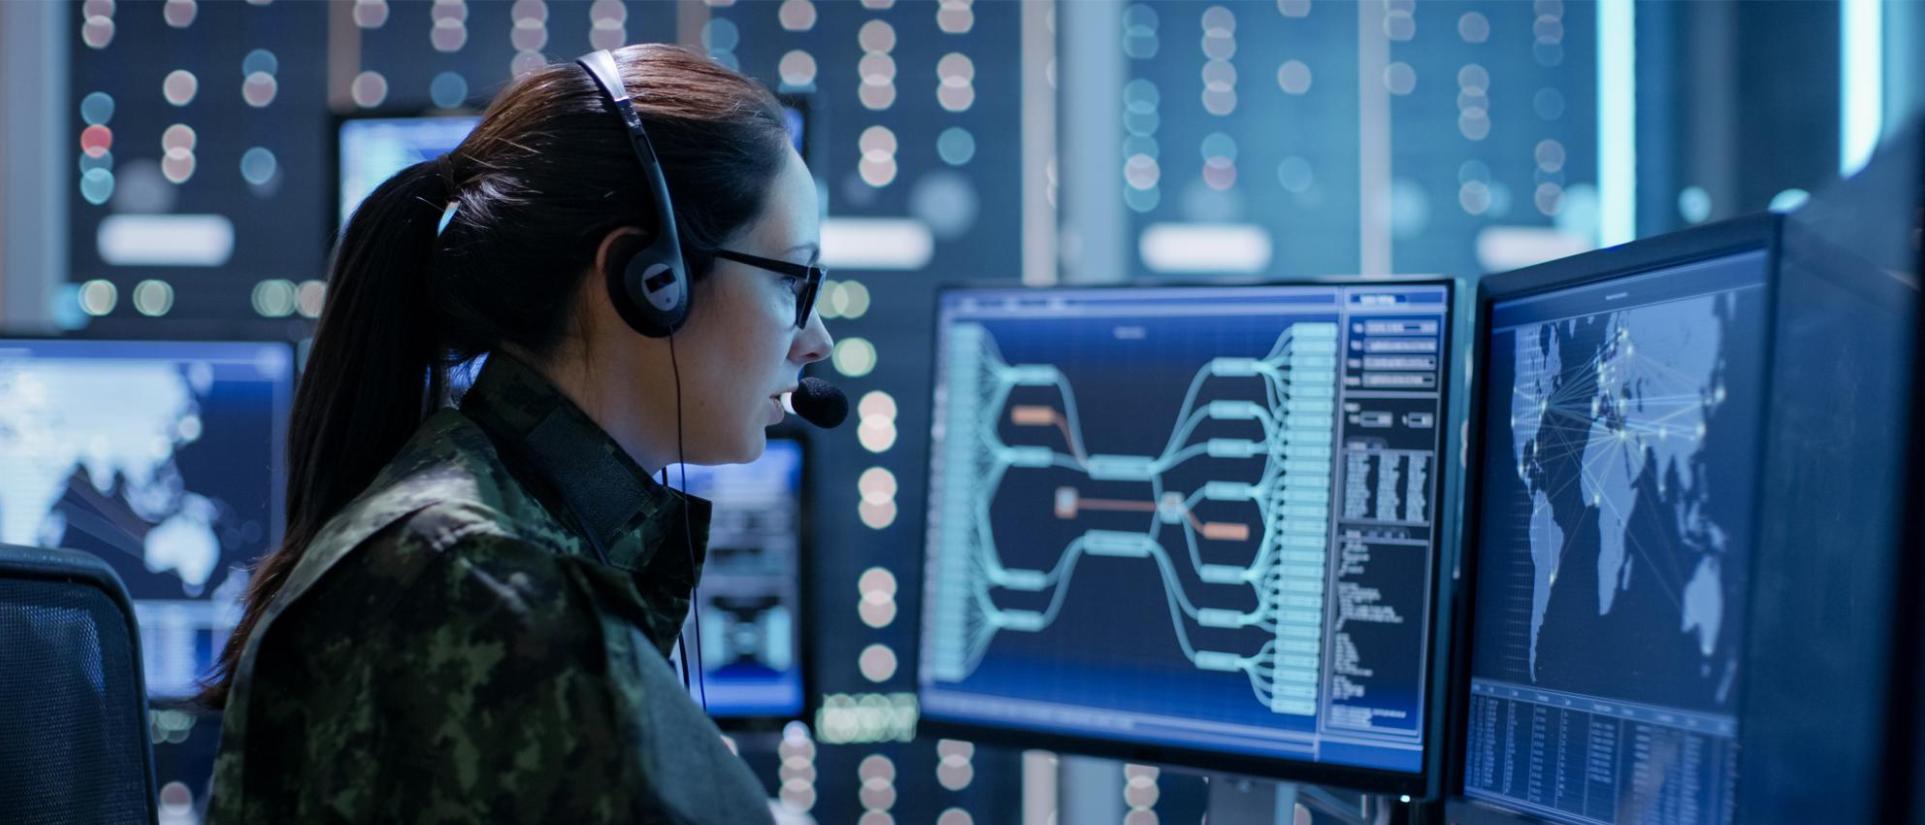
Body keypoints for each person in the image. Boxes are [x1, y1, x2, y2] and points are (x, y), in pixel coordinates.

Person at [197, 44, 831, 824]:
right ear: (648, 280)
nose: (816, 339)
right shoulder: (481, 585)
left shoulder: (486, 535)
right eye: (791, 280)